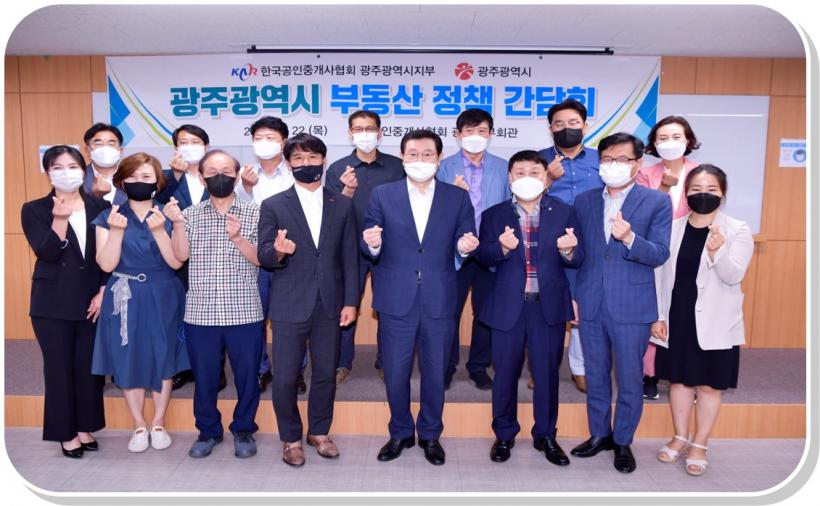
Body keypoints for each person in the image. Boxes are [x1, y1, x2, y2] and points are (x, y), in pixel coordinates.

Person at [362, 130, 478, 466]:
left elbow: (465, 239)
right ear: (402, 157)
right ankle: (400, 432)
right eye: (413, 154)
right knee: (395, 372)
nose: (420, 160)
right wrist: (372, 243)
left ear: (439, 159)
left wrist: (464, 247)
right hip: (396, 298)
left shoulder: (456, 197)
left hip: (439, 297)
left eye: (428, 154)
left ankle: (430, 434)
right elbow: (369, 242)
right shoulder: (383, 194)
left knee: (435, 372)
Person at [568, 132, 672, 473]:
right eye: (607, 159)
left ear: (638, 164)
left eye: (622, 159)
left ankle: (623, 441)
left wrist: (629, 238)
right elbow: (578, 255)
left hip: (632, 305)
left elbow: (659, 253)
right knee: (595, 374)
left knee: (629, 379)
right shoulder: (584, 201)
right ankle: (600, 434)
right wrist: (572, 286)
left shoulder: (656, 202)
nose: (613, 165)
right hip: (590, 302)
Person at [258, 133, 359, 466]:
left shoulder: (342, 204)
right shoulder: (273, 205)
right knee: (286, 377)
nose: (306, 164)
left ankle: (319, 432)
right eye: (298, 159)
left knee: (326, 373)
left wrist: (351, 301)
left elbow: (350, 258)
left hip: (330, 304)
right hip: (289, 303)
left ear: (323, 161)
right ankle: (290, 439)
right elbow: (264, 255)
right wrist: (278, 252)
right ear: (289, 164)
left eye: (312, 157)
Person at [476, 150, 583, 466]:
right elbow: (483, 257)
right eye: (519, 172)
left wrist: (569, 251)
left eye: (534, 172)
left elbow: (579, 258)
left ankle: (546, 435)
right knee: (504, 374)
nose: (527, 178)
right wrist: (501, 248)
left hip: (547, 307)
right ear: (509, 177)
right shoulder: (494, 214)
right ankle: (504, 434)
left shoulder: (564, 211)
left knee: (547, 374)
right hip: (508, 306)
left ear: (545, 177)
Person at [652, 164, 753, 476]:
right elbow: (658, 276)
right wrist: (657, 315)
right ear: (686, 193)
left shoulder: (737, 230)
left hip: (716, 319)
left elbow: (733, 275)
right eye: (696, 189)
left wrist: (716, 252)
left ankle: (700, 443)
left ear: (723, 193)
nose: (703, 195)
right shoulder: (673, 227)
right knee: (679, 381)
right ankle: (680, 436)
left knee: (709, 385)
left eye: (711, 190)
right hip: (677, 315)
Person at [165, 150, 264, 459]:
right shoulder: (190, 214)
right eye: (212, 171)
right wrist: (176, 224)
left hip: (244, 310)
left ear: (237, 176)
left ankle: (244, 429)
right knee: (205, 378)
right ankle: (208, 431)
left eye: (226, 171)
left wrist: (238, 238)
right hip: (201, 312)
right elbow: (180, 256)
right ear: (201, 177)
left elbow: (262, 260)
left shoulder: (256, 212)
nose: (219, 176)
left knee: (247, 376)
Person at [92, 153, 189, 453]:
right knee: (128, 356)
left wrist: (161, 230)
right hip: (124, 294)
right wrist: (117, 231)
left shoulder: (168, 213)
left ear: (158, 182)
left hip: (163, 292)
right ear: (121, 182)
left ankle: (158, 422)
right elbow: (106, 265)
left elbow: (177, 261)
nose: (139, 182)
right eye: (132, 177)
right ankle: (138, 424)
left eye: (146, 177)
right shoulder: (109, 216)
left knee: (163, 355)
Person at [21, 145, 108, 458]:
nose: (66, 172)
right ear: (48, 173)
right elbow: (46, 253)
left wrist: (103, 290)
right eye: (58, 167)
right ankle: (65, 433)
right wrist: (59, 219)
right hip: (52, 304)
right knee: (59, 369)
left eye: (72, 166)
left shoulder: (99, 205)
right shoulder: (34, 209)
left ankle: (85, 426)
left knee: (88, 369)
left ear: (83, 170)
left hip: (91, 300)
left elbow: (108, 254)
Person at [325, 110, 405, 385]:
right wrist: (346, 191)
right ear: (350, 134)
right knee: (346, 306)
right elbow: (330, 214)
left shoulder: (397, 166)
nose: (365, 134)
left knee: (389, 308)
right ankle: (342, 363)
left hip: (390, 248)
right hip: (348, 249)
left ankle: (386, 362)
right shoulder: (338, 169)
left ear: (380, 133)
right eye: (358, 129)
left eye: (370, 128)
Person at [436, 108, 509, 391]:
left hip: (489, 250)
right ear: (458, 135)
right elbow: (433, 210)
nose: (475, 136)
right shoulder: (443, 167)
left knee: (486, 312)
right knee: (448, 312)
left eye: (481, 131)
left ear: (490, 134)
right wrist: (452, 195)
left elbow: (509, 207)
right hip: (453, 251)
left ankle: (479, 366)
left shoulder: (503, 167)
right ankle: (446, 366)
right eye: (469, 131)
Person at [235, 116, 307, 394]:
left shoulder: (296, 172)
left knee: (293, 319)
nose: (264, 143)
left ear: (283, 142)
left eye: (271, 138)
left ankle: (295, 372)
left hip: (293, 256)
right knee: (255, 318)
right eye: (258, 138)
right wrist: (246, 189)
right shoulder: (243, 175)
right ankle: (261, 369)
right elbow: (235, 215)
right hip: (257, 257)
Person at [537, 98, 603, 394]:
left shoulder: (602, 159)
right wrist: (548, 180)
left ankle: (580, 367)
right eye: (559, 124)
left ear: (585, 126)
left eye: (573, 123)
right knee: (544, 303)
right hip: (547, 241)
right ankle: (540, 367)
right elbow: (521, 197)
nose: (567, 128)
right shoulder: (538, 160)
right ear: (550, 128)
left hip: (592, 241)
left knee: (583, 304)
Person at [637, 115, 703, 400]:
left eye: (676, 137)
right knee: (654, 311)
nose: (670, 142)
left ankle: (687, 374)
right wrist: (663, 188)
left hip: (689, 250)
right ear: (654, 143)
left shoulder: (701, 172)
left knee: (686, 311)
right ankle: (650, 374)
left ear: (688, 140)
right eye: (663, 138)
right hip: (655, 249)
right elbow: (641, 212)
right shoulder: (645, 173)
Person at [82, 123, 127, 205]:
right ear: (87, 150)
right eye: (99, 144)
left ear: (120, 150)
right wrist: (94, 196)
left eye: (111, 144)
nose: (105, 148)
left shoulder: (132, 177)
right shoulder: (77, 178)